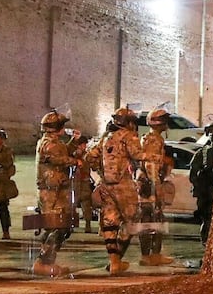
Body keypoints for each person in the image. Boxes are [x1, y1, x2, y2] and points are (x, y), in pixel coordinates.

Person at [90, 107, 145, 274]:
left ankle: (113, 261)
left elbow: (90, 157)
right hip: (124, 186)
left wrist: (100, 173)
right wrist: (156, 156)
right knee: (133, 221)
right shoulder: (129, 136)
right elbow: (138, 155)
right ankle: (118, 257)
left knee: (110, 224)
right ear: (129, 122)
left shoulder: (105, 138)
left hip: (106, 185)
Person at [33, 110, 78, 276]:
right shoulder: (49, 144)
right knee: (58, 227)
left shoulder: (52, 142)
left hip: (56, 191)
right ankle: (44, 263)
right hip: (51, 193)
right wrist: (76, 161)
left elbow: (63, 151)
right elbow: (59, 158)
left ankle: (43, 261)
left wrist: (74, 142)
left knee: (57, 227)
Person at [137, 110, 175, 266]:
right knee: (155, 220)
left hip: (145, 185)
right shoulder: (154, 140)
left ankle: (148, 255)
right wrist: (157, 188)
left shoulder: (148, 138)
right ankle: (153, 255)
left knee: (147, 220)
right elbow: (150, 165)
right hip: (150, 186)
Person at [188, 121, 213, 244]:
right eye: (210, 131)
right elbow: (193, 172)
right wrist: (199, 184)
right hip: (206, 192)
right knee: (207, 219)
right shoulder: (202, 152)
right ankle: (206, 242)